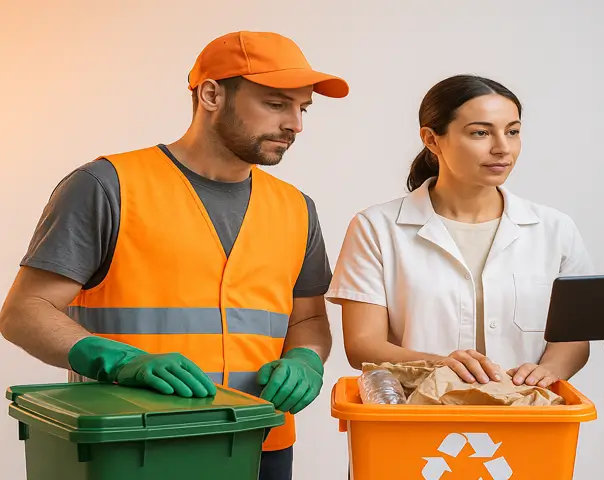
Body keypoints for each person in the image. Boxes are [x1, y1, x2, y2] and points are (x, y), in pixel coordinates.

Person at [0, 31, 348, 480]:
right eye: (277, 104)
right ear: (211, 94)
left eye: (303, 109)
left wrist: (307, 359)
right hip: (134, 444)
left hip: (258, 442)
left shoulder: (297, 208)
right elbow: (24, 311)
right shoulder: (108, 186)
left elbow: (308, 321)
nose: (295, 125)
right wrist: (122, 363)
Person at [326, 74, 591, 389]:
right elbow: (362, 345)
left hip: (527, 414)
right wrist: (440, 365)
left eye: (513, 132)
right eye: (480, 132)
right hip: (419, 415)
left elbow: (574, 336)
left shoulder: (555, 229)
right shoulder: (376, 227)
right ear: (432, 139)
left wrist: (548, 370)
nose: (502, 148)